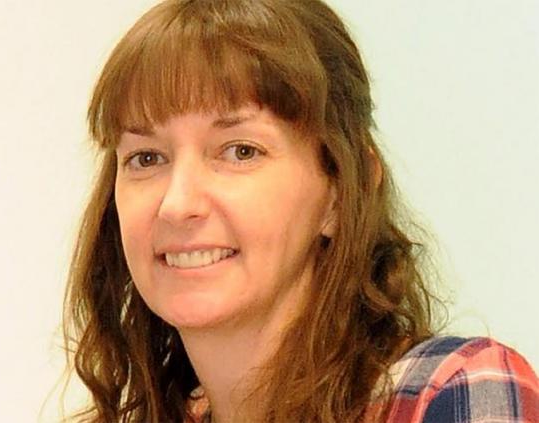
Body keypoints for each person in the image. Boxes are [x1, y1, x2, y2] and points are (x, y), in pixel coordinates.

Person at [63, 0, 539, 422]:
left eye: (240, 151)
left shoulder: (453, 391)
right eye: (146, 158)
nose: (178, 204)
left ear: (342, 192)